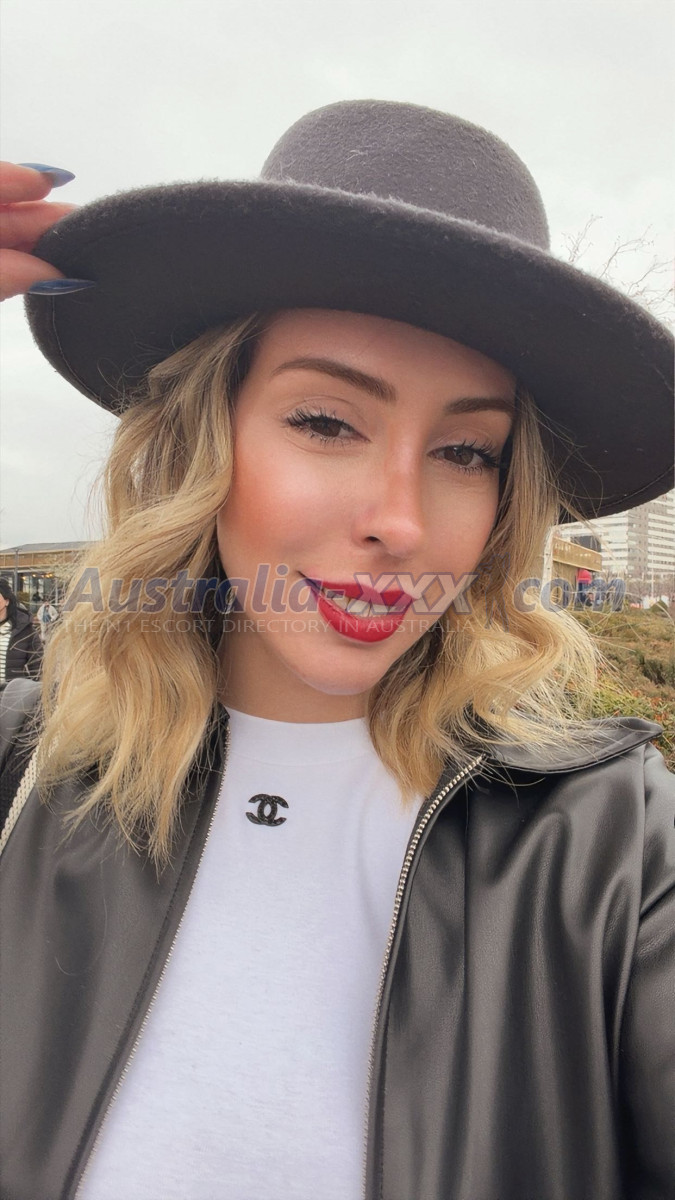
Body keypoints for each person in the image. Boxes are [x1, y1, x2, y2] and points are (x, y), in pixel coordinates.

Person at [0, 101, 673, 1200]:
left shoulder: (612, 846)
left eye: (466, 451)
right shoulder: (20, 777)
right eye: (326, 422)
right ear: (207, 435)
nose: (399, 522)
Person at [0, 577, 43, 690]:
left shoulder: (25, 630)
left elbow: (37, 666)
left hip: (11, 694)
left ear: (7, 601)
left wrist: (30, 692)